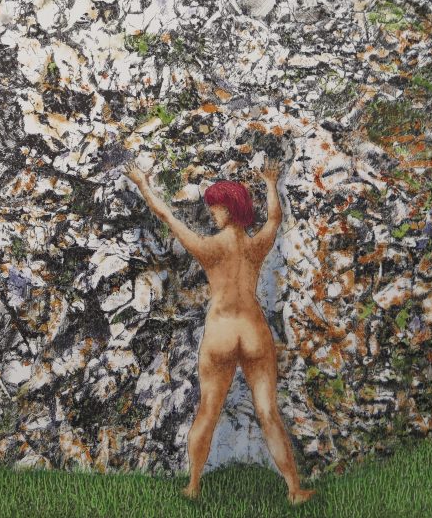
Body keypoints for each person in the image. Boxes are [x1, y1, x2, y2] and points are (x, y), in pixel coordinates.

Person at [124, 156, 316, 505]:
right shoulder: (256, 246)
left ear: (229, 209)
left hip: (221, 332)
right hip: (253, 330)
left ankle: (193, 485)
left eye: (215, 207)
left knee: (208, 412)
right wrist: (270, 183)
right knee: (268, 413)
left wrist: (143, 185)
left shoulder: (209, 248)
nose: (212, 213)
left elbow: (167, 216)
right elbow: (275, 218)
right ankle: (294, 489)